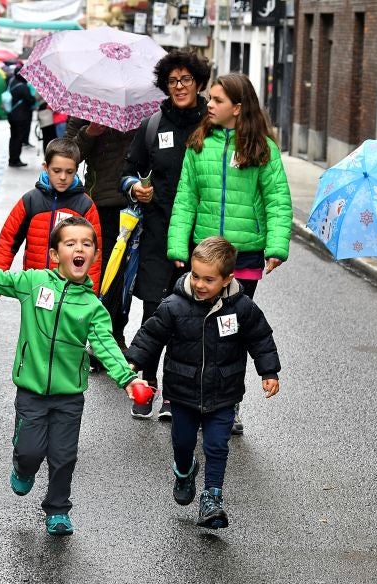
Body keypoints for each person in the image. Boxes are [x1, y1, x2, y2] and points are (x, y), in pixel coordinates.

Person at [0, 217, 145, 535]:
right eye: (70, 243)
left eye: (86, 244)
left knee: (64, 455)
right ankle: (23, 468)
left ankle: (58, 509)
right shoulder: (34, 283)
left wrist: (129, 379)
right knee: (30, 451)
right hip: (31, 392)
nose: (79, 248)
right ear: (55, 254)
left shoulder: (93, 307)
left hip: (69, 396)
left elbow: (107, 346)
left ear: (94, 256)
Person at [125, 237, 281, 529]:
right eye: (195, 276)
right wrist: (132, 361)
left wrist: (269, 372)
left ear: (227, 279)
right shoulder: (174, 305)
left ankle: (212, 498)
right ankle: (184, 471)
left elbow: (260, 338)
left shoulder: (242, 309)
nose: (199, 284)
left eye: (208, 279)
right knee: (182, 442)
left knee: (216, 445)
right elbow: (151, 334)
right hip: (182, 392)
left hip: (223, 392)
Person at [168, 72, 292, 435]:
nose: (209, 104)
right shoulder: (199, 145)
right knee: (195, 330)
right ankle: (191, 398)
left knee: (230, 331)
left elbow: (278, 201)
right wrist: (179, 245)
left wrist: (276, 246)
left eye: (218, 100)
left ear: (237, 108)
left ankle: (228, 405)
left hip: (245, 257)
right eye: (210, 98)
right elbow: (185, 199)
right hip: (205, 256)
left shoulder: (261, 149)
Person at [118, 50, 211, 421]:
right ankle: (146, 385)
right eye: (173, 81)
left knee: (194, 316)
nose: (179, 86)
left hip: (200, 236)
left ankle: (176, 395)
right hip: (157, 232)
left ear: (199, 83)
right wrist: (133, 188)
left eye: (186, 79)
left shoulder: (213, 124)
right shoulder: (154, 125)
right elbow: (129, 169)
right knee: (155, 312)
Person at [0, 138, 103, 300]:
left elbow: (93, 255)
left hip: (72, 291)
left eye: (69, 172)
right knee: (33, 326)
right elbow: (8, 241)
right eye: (56, 171)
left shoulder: (85, 205)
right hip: (35, 286)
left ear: (76, 169)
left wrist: (90, 294)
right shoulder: (30, 201)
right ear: (45, 167)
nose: (63, 177)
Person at [64, 117, 137, 349]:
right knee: (101, 271)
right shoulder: (87, 107)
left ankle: (116, 332)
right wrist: (90, 133)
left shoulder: (141, 107)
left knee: (126, 276)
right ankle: (98, 335)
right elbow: (68, 156)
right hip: (101, 204)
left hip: (136, 203)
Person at [6, 68, 36, 167]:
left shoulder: (12, 83)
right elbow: (30, 100)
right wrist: (35, 98)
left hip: (12, 115)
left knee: (13, 137)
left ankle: (12, 159)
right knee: (18, 138)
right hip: (21, 117)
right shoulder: (23, 87)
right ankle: (15, 160)